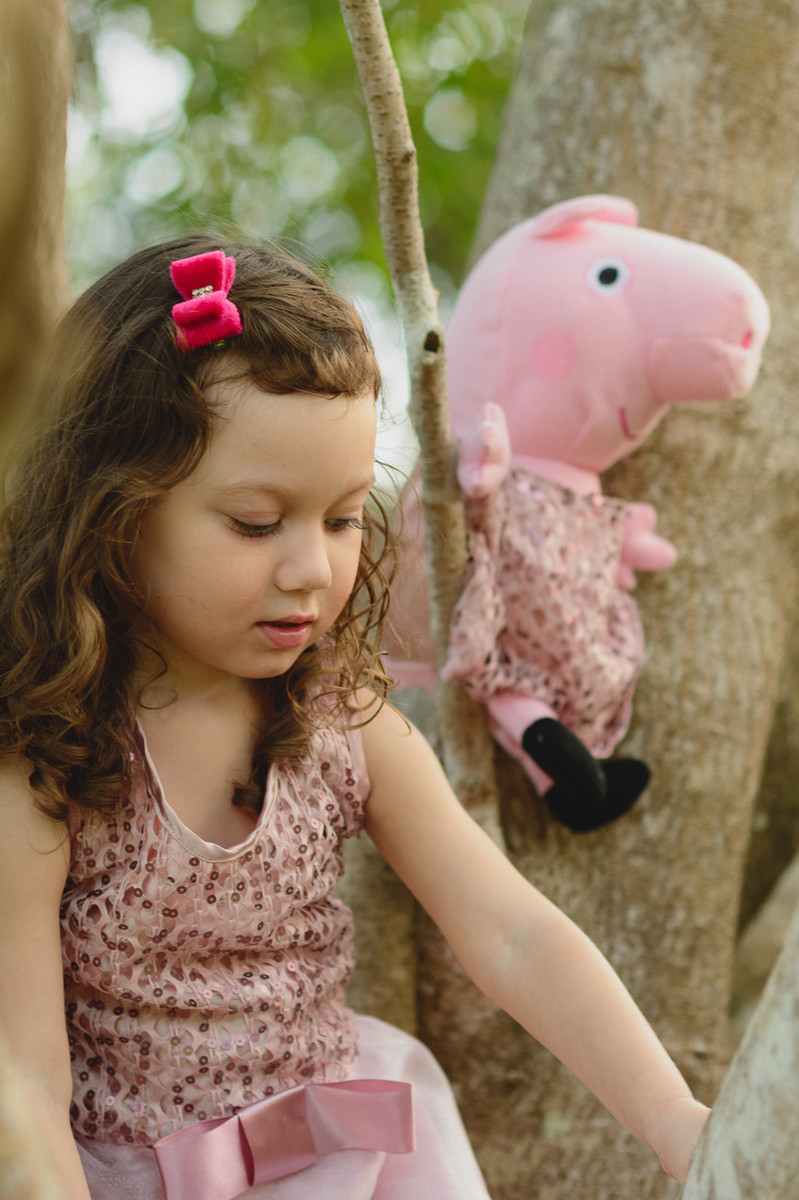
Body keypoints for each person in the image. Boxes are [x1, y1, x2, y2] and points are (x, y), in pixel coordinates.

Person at [0, 236, 710, 1200]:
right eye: (256, 523)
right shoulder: (48, 757)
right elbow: (26, 1083)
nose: (312, 570)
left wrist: (676, 1122)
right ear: (112, 508)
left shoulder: (341, 714)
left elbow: (511, 934)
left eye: (340, 519)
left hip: (350, 1159)